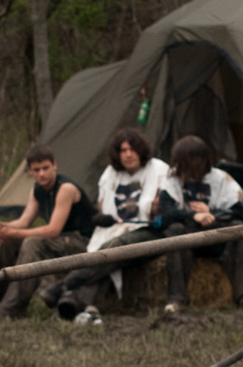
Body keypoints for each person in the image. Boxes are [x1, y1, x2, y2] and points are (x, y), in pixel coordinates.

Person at [42, 128, 172, 323]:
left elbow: (163, 207)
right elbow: (103, 208)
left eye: (132, 149)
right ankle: (74, 302)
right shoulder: (111, 173)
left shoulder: (159, 170)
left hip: (149, 231)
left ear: (141, 150)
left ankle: (64, 285)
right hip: (116, 229)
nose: (128, 154)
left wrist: (157, 209)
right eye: (123, 150)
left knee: (113, 248)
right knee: (104, 253)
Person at [0, 144, 94, 319]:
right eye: (36, 170)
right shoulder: (38, 189)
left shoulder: (65, 188)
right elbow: (24, 222)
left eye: (45, 168)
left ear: (55, 165)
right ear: (30, 172)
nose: (41, 174)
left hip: (81, 242)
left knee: (33, 243)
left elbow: (53, 230)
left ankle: (11, 308)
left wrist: (15, 233)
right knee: (8, 241)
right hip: (60, 239)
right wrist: (5, 228)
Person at [158, 135, 243, 317]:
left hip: (217, 238)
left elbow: (240, 213)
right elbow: (166, 214)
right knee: (174, 231)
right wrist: (193, 215)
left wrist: (212, 214)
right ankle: (176, 298)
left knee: (238, 228)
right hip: (188, 240)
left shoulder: (221, 178)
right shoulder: (172, 181)